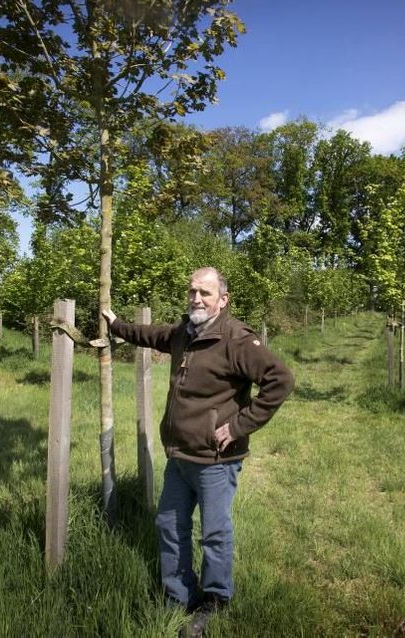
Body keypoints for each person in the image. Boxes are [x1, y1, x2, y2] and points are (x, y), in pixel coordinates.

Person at [102, 266, 294, 635]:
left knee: (214, 533)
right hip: (180, 455)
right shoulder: (184, 333)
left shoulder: (236, 339)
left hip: (215, 460)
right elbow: (150, 335)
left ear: (223, 300)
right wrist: (116, 324)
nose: (196, 299)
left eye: (205, 293)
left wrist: (238, 426)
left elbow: (280, 380)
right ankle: (179, 596)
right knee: (169, 526)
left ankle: (216, 600)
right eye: (192, 292)